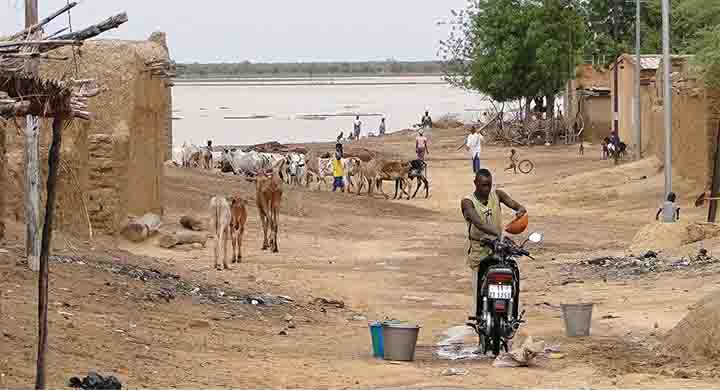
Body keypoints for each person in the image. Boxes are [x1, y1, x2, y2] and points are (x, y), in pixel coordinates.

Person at [461, 169, 526, 320]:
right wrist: (496, 234)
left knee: (511, 280)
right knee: (479, 294)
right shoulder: (468, 202)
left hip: (498, 250)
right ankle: (480, 321)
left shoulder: (497, 195)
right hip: (479, 250)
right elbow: (478, 222)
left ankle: (512, 316)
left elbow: (515, 204)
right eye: (483, 185)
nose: (487, 189)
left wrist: (520, 210)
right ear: (475, 183)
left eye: (489, 185)